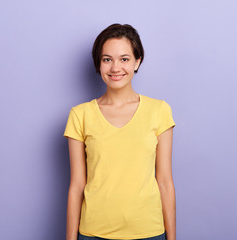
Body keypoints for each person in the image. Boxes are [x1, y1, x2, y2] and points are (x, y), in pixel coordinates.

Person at [63, 23, 176, 240]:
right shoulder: (80, 115)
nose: (115, 68)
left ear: (137, 62)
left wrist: (171, 238)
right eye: (107, 59)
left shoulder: (159, 110)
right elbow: (77, 186)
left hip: (148, 233)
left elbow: (164, 181)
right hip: (93, 233)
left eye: (124, 59)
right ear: (99, 64)